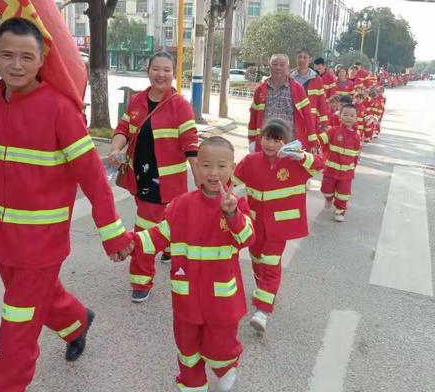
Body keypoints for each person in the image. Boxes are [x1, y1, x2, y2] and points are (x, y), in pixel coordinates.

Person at [0, 18, 133, 392]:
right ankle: (77, 323)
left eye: (26, 56)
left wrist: (113, 234)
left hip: (42, 245)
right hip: (4, 241)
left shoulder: (58, 110)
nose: (16, 64)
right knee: (45, 298)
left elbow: (92, 176)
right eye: (7, 55)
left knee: (16, 330)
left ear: (41, 61)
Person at [128, 136, 254, 392]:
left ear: (232, 168)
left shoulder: (236, 204)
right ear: (196, 168)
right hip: (186, 298)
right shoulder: (181, 205)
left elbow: (246, 239)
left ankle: (226, 367)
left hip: (221, 300)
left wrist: (232, 215)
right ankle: (192, 386)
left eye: (221, 166)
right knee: (187, 351)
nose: (213, 172)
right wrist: (128, 243)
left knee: (221, 348)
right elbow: (157, 236)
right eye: (206, 165)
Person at [109, 51, 199, 303]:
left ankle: (142, 279)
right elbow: (123, 129)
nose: (161, 74)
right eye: (156, 69)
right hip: (142, 180)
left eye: (167, 70)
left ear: (173, 73)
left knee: (149, 230)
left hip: (170, 183)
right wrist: (116, 149)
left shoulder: (180, 106)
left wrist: (204, 182)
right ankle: (157, 259)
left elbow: (191, 147)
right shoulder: (137, 100)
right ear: (148, 70)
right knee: (155, 225)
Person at [233, 119, 323, 332]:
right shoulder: (250, 161)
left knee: (271, 264)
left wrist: (302, 156)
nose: (270, 144)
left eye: (276, 140)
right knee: (257, 261)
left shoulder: (295, 164)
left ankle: (262, 311)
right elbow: (231, 182)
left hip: (278, 229)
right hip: (254, 225)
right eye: (267, 138)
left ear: (286, 142)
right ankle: (263, 289)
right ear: (260, 138)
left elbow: (320, 166)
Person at [248, 54, 318, 153]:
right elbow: (253, 117)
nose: (278, 67)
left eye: (282, 65)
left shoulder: (298, 89)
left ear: (288, 68)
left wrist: (313, 142)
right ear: (270, 67)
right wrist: (252, 140)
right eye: (275, 64)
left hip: (289, 143)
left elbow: (308, 116)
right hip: (267, 142)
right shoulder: (260, 90)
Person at [319, 104, 362, 222]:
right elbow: (321, 139)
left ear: (356, 118)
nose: (348, 117)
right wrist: (313, 141)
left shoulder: (357, 137)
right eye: (345, 114)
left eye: (352, 115)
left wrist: (353, 170)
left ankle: (340, 210)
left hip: (346, 174)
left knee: (343, 194)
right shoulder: (334, 130)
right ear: (340, 116)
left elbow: (356, 155)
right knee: (325, 189)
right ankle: (328, 199)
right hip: (330, 170)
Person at [291, 50, 329, 132]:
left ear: (310, 59)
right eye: (299, 57)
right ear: (296, 59)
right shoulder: (290, 77)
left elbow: (321, 102)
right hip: (292, 117)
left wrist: (324, 123)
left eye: (305, 57)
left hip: (310, 118)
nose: (302, 60)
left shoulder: (316, 79)